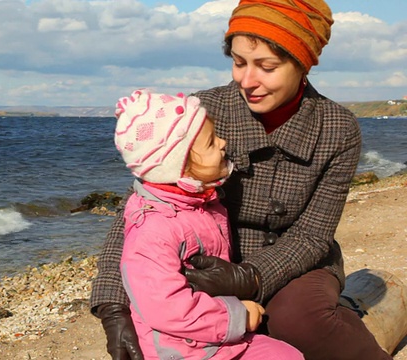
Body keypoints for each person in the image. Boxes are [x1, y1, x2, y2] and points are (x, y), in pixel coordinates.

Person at [90, 0, 393, 359]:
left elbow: (313, 235)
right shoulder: (201, 111)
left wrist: (249, 278)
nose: (247, 81)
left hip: (298, 263)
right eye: (238, 62)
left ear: (302, 63)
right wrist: (113, 306)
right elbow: (139, 209)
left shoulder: (338, 128)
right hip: (206, 269)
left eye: (267, 66)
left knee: (296, 321)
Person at [113, 88, 305, 360]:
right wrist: (238, 317)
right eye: (211, 142)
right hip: (183, 349)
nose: (223, 142)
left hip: (213, 339)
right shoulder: (154, 229)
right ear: (179, 167)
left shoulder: (201, 201)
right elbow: (167, 309)